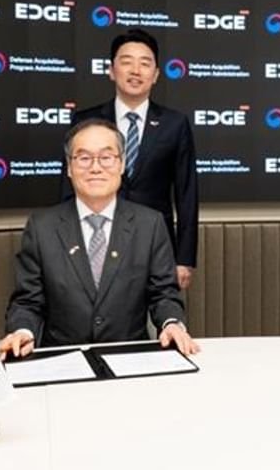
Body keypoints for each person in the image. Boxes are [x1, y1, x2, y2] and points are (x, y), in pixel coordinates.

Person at [0, 118, 199, 358]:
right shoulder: (42, 227)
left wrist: (172, 323)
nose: (95, 167)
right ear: (69, 168)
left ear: (121, 164)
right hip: (62, 360)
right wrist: (22, 331)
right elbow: (27, 301)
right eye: (84, 158)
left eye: (106, 157)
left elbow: (164, 294)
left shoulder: (150, 224)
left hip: (129, 359)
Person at [64, 29, 199, 289]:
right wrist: (68, 245)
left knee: (159, 312)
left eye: (145, 63)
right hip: (96, 240)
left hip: (156, 244)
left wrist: (184, 258)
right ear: (111, 70)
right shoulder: (85, 121)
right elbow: (68, 188)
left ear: (156, 74)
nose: (136, 71)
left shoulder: (175, 124)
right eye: (127, 62)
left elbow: (187, 195)